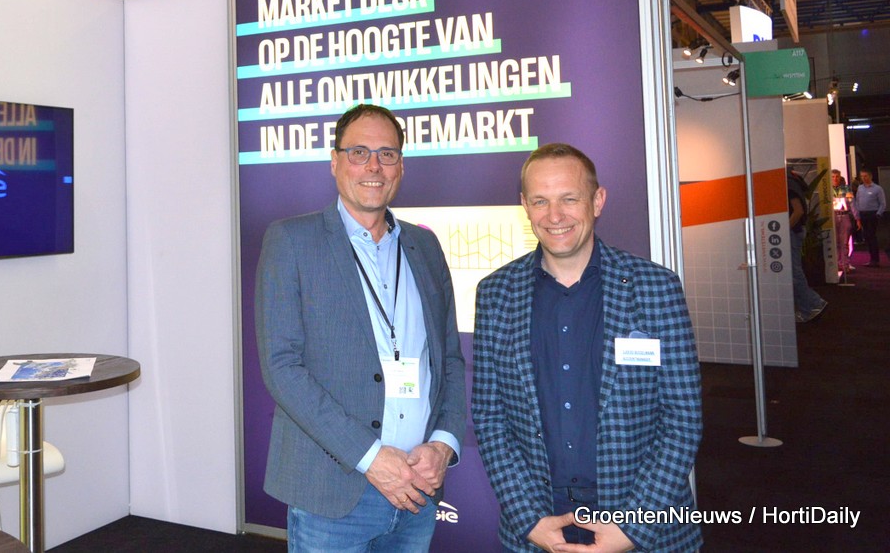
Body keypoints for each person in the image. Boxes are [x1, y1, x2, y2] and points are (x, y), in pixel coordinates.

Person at [255, 103, 467, 551]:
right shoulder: (292, 241)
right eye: (358, 153)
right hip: (334, 493)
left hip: (418, 488)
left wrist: (443, 444)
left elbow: (448, 359)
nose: (374, 166)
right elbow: (282, 368)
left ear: (401, 166)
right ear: (335, 162)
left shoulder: (425, 245)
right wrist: (371, 458)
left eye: (387, 154)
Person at [472, 143, 701, 552]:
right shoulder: (495, 294)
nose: (554, 215)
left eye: (569, 199)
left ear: (597, 201)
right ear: (525, 205)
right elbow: (490, 419)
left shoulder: (657, 288)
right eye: (540, 201)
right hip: (539, 528)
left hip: (643, 529)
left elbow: (682, 420)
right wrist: (529, 520)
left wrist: (632, 528)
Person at [787, 169, 828, 323]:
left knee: (794, 272)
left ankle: (811, 306)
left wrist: (783, 231)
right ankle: (810, 305)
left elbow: (797, 211)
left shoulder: (788, 184)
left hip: (793, 232)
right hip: (796, 231)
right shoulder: (794, 181)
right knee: (794, 271)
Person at [853, 168, 886, 267]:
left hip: (872, 214)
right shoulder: (860, 188)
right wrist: (857, 215)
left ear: (870, 176)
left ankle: (875, 260)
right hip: (862, 214)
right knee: (867, 236)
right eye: (862, 176)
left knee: (872, 236)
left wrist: (878, 214)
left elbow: (883, 203)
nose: (864, 178)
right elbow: (857, 201)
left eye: (865, 176)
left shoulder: (877, 189)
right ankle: (872, 258)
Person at [832, 169, 854, 277]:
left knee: (844, 242)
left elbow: (852, 203)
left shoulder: (846, 189)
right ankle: (836, 264)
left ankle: (845, 264)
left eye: (837, 176)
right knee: (835, 242)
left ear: (840, 177)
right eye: (833, 177)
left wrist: (856, 217)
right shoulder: (828, 189)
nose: (835, 179)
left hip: (844, 215)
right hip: (833, 216)